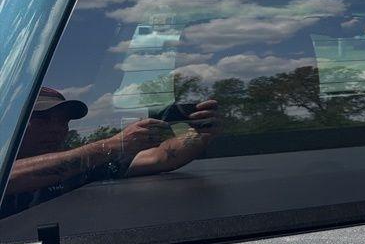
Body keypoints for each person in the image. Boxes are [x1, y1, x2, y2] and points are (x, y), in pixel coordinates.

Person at [2, 87, 220, 216]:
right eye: (42, 119)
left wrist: (199, 134)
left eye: (63, 121)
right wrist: (112, 145)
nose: (56, 128)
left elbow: (160, 157)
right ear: (9, 123)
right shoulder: (86, 160)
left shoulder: (84, 167)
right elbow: (8, 178)